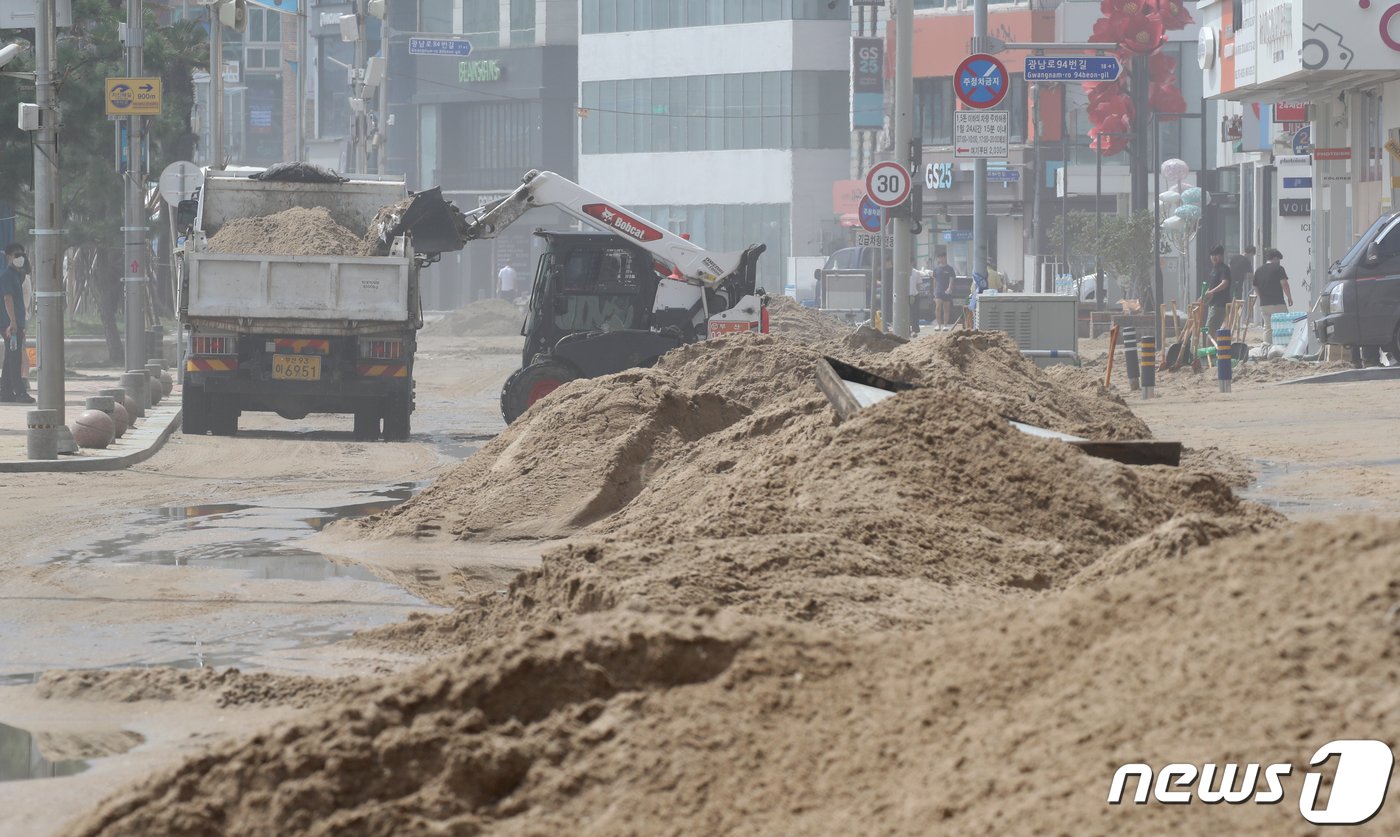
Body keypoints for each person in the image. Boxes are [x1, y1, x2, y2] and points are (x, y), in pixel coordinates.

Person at [0, 244, 33, 403]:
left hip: (16, 321)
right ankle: (20, 392)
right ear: (8, 257)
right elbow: (7, 299)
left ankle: (5, 392)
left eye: (22, 254)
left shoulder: (16, 275)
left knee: (10, 356)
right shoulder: (6, 275)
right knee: (15, 357)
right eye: (16, 254)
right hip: (10, 323)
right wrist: (12, 322)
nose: (20, 257)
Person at [1251, 248, 1293, 346]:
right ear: (1275, 257)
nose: (1279, 262)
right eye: (1278, 259)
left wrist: (1261, 297)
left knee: (1268, 327)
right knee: (1285, 325)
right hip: (1278, 302)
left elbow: (1255, 286)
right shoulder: (1278, 268)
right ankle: (1284, 347)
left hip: (1264, 304)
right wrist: (1289, 297)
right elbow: (1284, 284)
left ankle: (1267, 348)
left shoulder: (1258, 270)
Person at [1204, 244, 1232, 335]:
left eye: (1217, 255)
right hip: (1212, 303)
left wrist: (1212, 292)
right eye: (1212, 255)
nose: (1214, 257)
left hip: (1220, 304)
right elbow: (1211, 286)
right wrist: (1203, 296)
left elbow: (1225, 283)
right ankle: (1210, 347)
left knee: (1210, 328)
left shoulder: (1224, 269)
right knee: (1208, 329)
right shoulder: (1214, 269)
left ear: (1222, 256)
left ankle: (1211, 348)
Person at [932, 253, 956, 328]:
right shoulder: (936, 269)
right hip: (938, 291)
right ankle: (938, 325)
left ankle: (945, 325)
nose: (940, 259)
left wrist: (949, 288)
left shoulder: (950, 268)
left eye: (942, 257)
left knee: (946, 309)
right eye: (939, 258)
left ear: (945, 258)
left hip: (947, 292)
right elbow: (934, 280)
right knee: (938, 308)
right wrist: (934, 291)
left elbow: (952, 279)